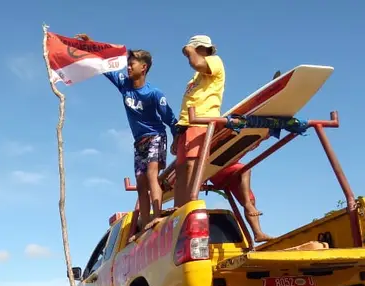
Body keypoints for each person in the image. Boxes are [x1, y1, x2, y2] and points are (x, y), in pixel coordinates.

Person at [75, 33, 178, 233]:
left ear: (144, 67)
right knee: (140, 185)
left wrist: (177, 137)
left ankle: (156, 217)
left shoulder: (154, 93)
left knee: (151, 175)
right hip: (138, 142)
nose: (128, 67)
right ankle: (146, 222)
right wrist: (89, 45)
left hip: (156, 136)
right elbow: (104, 65)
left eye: (132, 64)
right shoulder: (124, 84)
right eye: (127, 64)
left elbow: (169, 117)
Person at [173, 35, 272, 242]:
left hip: (201, 122)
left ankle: (189, 210)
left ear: (201, 48)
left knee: (193, 167)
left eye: (192, 49)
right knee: (182, 170)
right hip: (187, 124)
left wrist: (189, 49)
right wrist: (177, 135)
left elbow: (197, 62)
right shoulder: (194, 79)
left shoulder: (213, 62)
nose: (188, 55)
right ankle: (179, 212)